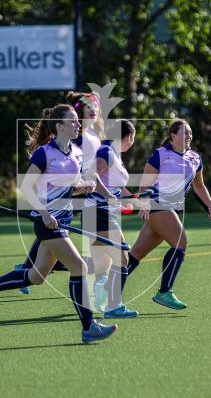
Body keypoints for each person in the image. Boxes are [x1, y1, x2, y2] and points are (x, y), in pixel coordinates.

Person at [0, 104, 118, 343]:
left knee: (36, 277)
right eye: (73, 121)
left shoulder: (77, 153)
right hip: (48, 223)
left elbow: (77, 183)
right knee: (80, 267)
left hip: (64, 220)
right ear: (58, 126)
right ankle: (89, 327)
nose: (78, 125)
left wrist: (93, 190)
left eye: (78, 121)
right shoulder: (44, 153)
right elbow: (26, 186)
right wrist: (45, 213)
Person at [14, 92, 108, 299]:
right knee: (56, 237)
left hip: (74, 194)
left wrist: (92, 188)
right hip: (61, 197)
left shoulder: (92, 136)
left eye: (96, 106)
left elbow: (86, 171)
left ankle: (24, 270)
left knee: (52, 243)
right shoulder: (78, 137)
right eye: (88, 107)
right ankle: (89, 321)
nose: (93, 110)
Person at [124, 119, 211, 310]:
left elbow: (199, 186)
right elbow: (146, 183)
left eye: (190, 133)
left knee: (136, 254)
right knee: (181, 242)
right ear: (173, 136)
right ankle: (164, 292)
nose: (189, 136)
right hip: (157, 204)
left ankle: (109, 291)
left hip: (171, 209)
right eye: (185, 132)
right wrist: (143, 204)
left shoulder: (195, 158)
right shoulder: (161, 155)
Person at [83, 119, 139, 317]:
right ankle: (113, 306)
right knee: (123, 257)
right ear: (128, 137)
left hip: (105, 212)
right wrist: (108, 195)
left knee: (100, 264)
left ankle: (102, 290)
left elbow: (118, 186)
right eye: (133, 138)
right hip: (99, 211)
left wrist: (133, 199)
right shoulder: (106, 152)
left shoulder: (115, 154)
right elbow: (92, 175)